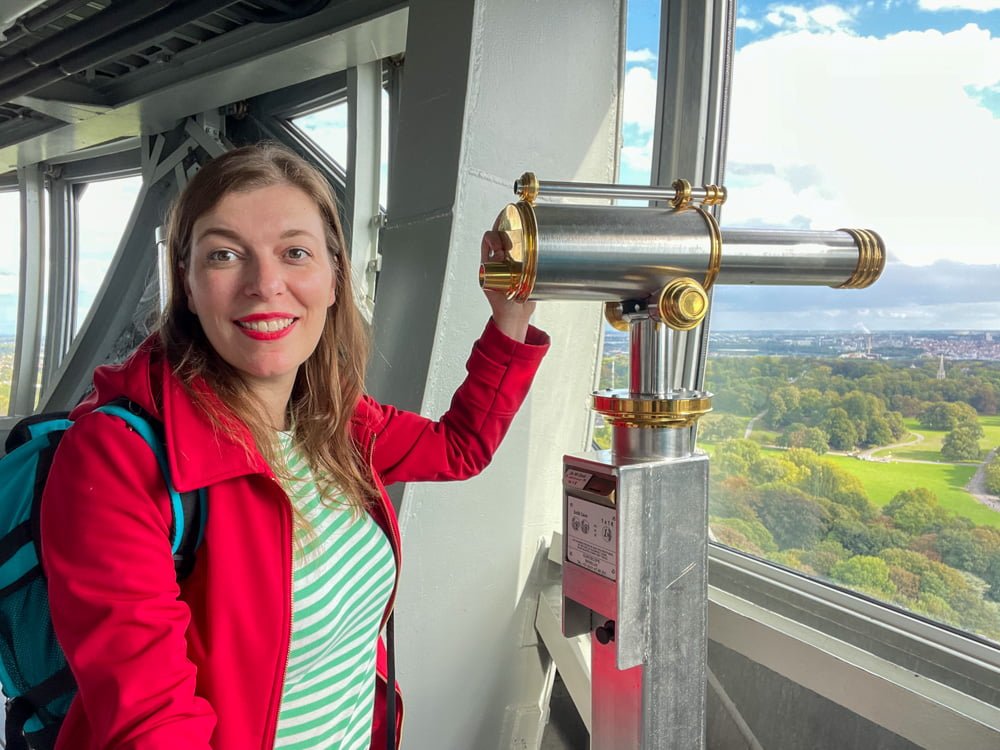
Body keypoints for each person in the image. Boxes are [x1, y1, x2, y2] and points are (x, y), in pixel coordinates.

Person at [40, 143, 549, 750]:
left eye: (295, 253)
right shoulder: (119, 459)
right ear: (188, 283)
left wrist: (510, 318)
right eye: (225, 254)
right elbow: (153, 728)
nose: (265, 285)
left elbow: (460, 447)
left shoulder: (336, 425)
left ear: (334, 277)